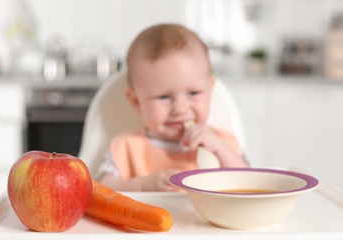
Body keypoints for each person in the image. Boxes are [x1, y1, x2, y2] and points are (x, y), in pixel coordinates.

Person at [96, 23, 249, 191]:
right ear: (136, 102)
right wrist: (142, 185)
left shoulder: (222, 143)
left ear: (210, 91)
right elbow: (104, 190)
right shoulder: (126, 148)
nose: (180, 109)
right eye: (163, 97)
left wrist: (219, 149)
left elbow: (250, 183)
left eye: (193, 93)